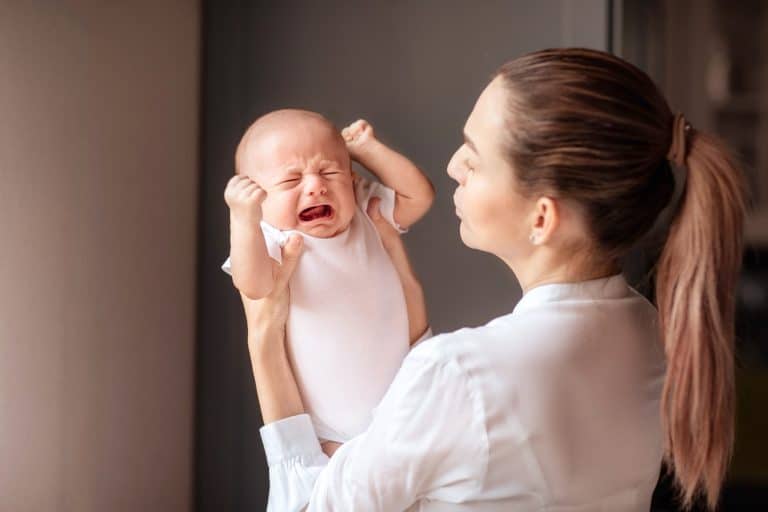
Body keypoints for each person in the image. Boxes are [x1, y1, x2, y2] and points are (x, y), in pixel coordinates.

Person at [239, 48, 746, 511]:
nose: (454, 166)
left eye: (474, 158)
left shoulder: (459, 376)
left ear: (542, 218)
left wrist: (263, 340)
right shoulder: (651, 331)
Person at [222, 110, 434, 447]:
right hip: (328, 432)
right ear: (259, 201)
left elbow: (419, 197)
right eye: (292, 181)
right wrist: (244, 221)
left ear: (351, 177)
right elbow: (254, 284)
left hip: (405, 408)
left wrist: (368, 150)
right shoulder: (272, 239)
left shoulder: (365, 211)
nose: (316, 186)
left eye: (329, 171)